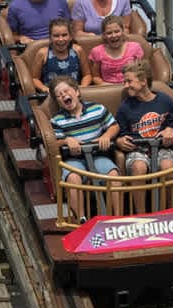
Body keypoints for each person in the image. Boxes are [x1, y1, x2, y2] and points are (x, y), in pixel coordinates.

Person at [41, 76, 119, 221]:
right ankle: (81, 218)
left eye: (66, 91)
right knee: (73, 178)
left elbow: (114, 126)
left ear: (76, 92)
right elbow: (55, 142)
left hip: (97, 155)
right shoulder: (57, 120)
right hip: (75, 158)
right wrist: (66, 140)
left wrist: (106, 136)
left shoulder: (97, 109)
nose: (64, 96)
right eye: (59, 95)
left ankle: (116, 217)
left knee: (112, 174)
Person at [114, 59, 173, 177]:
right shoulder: (125, 107)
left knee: (168, 167)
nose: (125, 85)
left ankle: (171, 196)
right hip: (137, 151)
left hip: (161, 148)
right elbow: (119, 133)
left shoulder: (165, 101)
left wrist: (170, 130)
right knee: (139, 167)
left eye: (129, 81)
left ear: (143, 81)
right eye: (124, 81)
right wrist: (120, 141)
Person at [22, 20, 84, 93]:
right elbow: (34, 78)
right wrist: (43, 88)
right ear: (50, 37)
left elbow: (87, 75)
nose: (61, 39)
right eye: (56, 36)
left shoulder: (78, 50)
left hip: (75, 93)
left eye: (64, 35)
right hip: (52, 94)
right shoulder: (42, 53)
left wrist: (82, 87)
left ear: (70, 37)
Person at [84, 15, 147, 85]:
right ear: (104, 35)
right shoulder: (97, 51)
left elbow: (142, 72)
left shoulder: (135, 48)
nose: (114, 35)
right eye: (109, 33)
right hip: (108, 89)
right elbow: (95, 77)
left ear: (123, 31)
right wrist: (104, 84)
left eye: (117, 31)